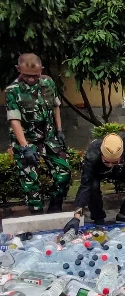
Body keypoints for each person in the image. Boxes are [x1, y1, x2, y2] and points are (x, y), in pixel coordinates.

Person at [5, 53, 71, 214]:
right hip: (26, 141)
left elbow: (56, 106)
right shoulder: (12, 91)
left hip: (49, 137)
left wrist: (60, 129)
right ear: (18, 69)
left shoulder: (48, 82)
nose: (32, 79)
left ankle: (55, 205)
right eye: (27, 76)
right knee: (30, 182)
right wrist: (25, 146)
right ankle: (36, 211)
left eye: (35, 75)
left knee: (64, 171)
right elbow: (15, 121)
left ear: (41, 70)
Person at [63, 133, 125, 232]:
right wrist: (77, 217)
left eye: (113, 161)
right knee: (92, 187)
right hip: (98, 170)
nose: (110, 165)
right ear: (102, 154)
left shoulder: (124, 141)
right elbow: (85, 186)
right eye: (107, 161)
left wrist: (123, 165)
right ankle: (98, 217)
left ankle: (124, 215)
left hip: (119, 168)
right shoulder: (92, 156)